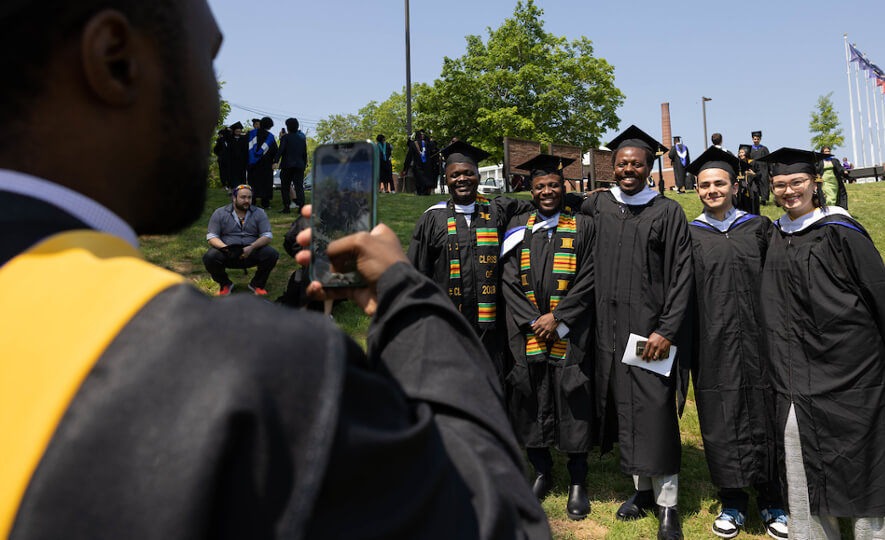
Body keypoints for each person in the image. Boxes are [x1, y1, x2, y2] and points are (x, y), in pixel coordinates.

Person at [0, 1, 551, 538]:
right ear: (115, 59)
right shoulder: (247, 368)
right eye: (207, 59)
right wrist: (404, 297)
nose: (215, 107)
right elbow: (497, 517)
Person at [756, 148, 885, 540]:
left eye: (797, 183)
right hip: (793, 373)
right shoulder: (775, 235)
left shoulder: (842, 231)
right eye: (781, 185)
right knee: (799, 460)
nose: (790, 191)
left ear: (815, 183)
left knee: (863, 464)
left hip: (850, 372)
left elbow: (882, 295)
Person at [580, 125, 693, 540]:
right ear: (613, 166)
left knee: (655, 412)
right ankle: (641, 492)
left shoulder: (667, 211)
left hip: (650, 336)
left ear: (650, 167)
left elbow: (682, 276)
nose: (628, 169)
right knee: (625, 409)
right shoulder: (599, 207)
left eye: (637, 164)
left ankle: (668, 506)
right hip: (609, 333)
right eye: (622, 163)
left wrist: (666, 329)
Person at [684, 147, 787, 539]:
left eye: (719, 183)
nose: (713, 190)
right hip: (714, 344)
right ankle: (732, 502)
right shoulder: (690, 234)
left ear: (734, 184)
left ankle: (772, 501)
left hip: (763, 343)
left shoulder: (759, 229)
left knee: (768, 415)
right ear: (697, 189)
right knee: (721, 418)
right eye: (706, 185)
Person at [501, 154, 596, 521]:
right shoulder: (516, 227)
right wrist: (532, 320)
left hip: (571, 330)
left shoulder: (583, 226)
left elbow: (589, 275)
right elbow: (508, 279)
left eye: (553, 185)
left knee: (573, 398)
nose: (546, 191)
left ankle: (577, 479)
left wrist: (558, 316)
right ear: (530, 189)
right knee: (530, 394)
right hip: (528, 332)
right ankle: (541, 469)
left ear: (564, 187)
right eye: (540, 185)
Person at [407, 141, 535, 380]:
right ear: (446, 180)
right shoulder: (433, 219)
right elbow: (416, 272)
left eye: (468, 173)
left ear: (478, 176)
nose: (462, 179)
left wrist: (582, 199)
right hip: (448, 325)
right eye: (454, 175)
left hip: (493, 327)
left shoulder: (497, 210)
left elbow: (542, 202)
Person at [203, 184, 279, 295]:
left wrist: (251, 247)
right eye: (243, 197)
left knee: (271, 254)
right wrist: (225, 248)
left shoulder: (259, 213)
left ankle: (257, 284)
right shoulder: (219, 213)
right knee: (210, 257)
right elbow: (211, 237)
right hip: (228, 251)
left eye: (249, 197)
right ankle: (225, 284)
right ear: (234, 198)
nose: (247, 200)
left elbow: (267, 236)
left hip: (251, 250)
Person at [275, 117, 307, 214]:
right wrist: (304, 164)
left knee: (285, 187)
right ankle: (301, 207)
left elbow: (281, 150)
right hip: (299, 165)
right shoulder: (302, 138)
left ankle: (286, 207)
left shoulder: (285, 138)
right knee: (299, 187)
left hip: (287, 165)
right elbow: (304, 153)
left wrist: (275, 161)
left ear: (287, 127)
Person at [248, 116, 278, 209]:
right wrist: (275, 161)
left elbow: (244, 148)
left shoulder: (251, 134)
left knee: (252, 182)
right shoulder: (270, 137)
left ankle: (251, 202)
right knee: (266, 183)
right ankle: (265, 204)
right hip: (266, 164)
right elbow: (275, 151)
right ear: (270, 126)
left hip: (252, 164)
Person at [403, 130, 430, 195]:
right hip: (426, 164)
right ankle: (425, 191)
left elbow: (409, 156)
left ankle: (419, 191)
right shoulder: (427, 143)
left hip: (417, 164)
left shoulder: (414, 144)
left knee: (418, 178)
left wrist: (405, 166)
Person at [748, 131, 770, 204]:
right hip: (753, 169)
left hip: (763, 169)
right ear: (752, 139)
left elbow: (768, 160)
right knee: (755, 184)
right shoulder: (750, 149)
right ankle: (755, 200)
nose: (756, 141)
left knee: (764, 183)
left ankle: (763, 200)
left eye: (758, 139)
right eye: (755, 139)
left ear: (760, 139)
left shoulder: (764, 149)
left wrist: (770, 171)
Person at [226, 121, 248, 188]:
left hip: (242, 161)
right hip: (232, 161)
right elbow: (224, 132)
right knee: (232, 176)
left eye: (239, 131)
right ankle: (232, 188)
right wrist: (230, 129)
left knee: (242, 176)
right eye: (237, 131)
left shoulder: (244, 138)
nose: (238, 132)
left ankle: (241, 189)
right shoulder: (230, 138)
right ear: (234, 131)